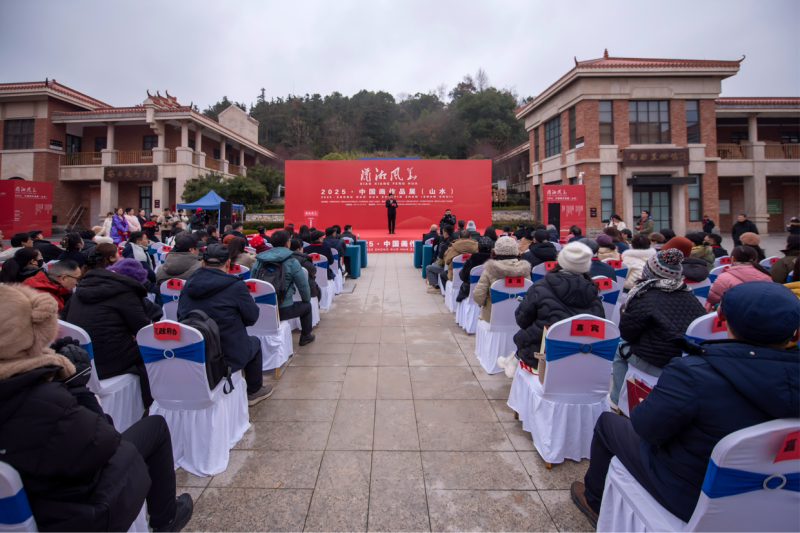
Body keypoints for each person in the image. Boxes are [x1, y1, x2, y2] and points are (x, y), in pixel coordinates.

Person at [572, 281, 800, 526]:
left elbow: (647, 429)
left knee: (609, 423)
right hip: (779, 499)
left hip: (690, 495)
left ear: (721, 317)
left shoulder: (694, 373)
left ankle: (594, 502)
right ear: (795, 332)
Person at [0, 283, 193, 533]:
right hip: (77, 513)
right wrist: (77, 389)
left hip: (29, 505)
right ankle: (166, 519)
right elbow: (106, 443)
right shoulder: (42, 400)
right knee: (154, 428)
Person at [608, 248, 706, 410]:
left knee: (619, 348)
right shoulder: (689, 294)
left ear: (649, 271)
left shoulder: (644, 295)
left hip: (656, 362)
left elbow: (628, 333)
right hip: (686, 359)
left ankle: (617, 399)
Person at [178, 244, 273, 405]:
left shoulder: (188, 285)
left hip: (194, 351)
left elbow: (180, 316)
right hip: (227, 355)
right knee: (254, 343)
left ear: (202, 263)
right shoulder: (235, 286)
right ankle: (254, 391)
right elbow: (252, 317)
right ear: (228, 263)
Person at [62, 254, 156, 408]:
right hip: (107, 361)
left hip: (78, 358)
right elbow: (143, 330)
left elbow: (63, 318)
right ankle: (148, 405)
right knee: (152, 353)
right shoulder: (126, 292)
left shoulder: (82, 288)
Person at [509, 242, 604, 372]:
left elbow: (522, 320)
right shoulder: (594, 292)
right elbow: (598, 327)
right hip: (580, 357)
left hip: (541, 356)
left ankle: (512, 361)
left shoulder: (540, 286)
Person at [253, 231, 316, 346]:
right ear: (288, 244)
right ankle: (305, 336)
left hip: (259, 309)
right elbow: (303, 286)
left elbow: (252, 282)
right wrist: (306, 300)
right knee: (307, 307)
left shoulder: (259, 261)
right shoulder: (292, 262)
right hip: (283, 309)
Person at [472, 236, 531, 323]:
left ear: (496, 251)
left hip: (492, 318)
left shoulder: (489, 271)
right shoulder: (525, 271)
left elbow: (478, 296)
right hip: (519, 318)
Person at [706, 245, 771, 311]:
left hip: (735, 314)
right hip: (762, 312)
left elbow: (711, 298)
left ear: (733, 259)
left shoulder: (724, 277)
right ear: (756, 259)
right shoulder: (766, 275)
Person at [455, 236, 493, 303]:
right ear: (491, 249)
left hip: (469, 292)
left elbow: (462, 277)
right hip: (489, 294)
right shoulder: (495, 262)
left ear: (477, 247)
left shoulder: (471, 260)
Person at [426, 225, 454, 292]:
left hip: (446, 267)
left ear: (445, 233)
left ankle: (435, 286)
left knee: (429, 267)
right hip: (456, 266)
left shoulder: (444, 245)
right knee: (434, 264)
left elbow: (441, 262)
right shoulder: (455, 241)